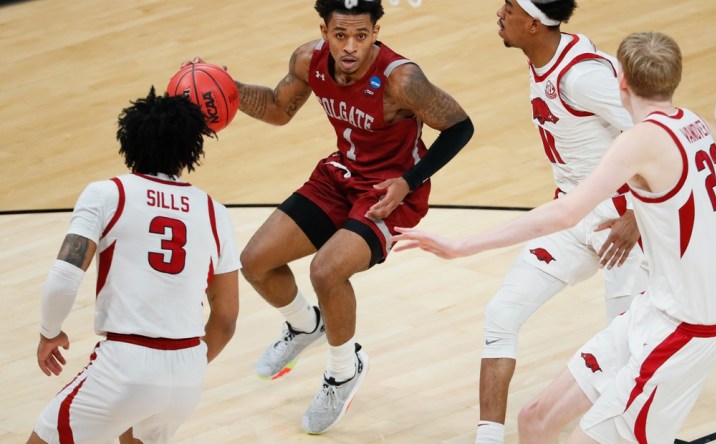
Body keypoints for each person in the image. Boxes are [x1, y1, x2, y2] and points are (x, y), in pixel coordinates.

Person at [394, 30, 716, 443]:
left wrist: (461, 246)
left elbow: (565, 212)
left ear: (620, 81)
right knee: (535, 420)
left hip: (686, 330)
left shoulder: (638, 141)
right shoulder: (692, 123)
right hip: (654, 309)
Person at [215, 0, 473, 435]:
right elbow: (279, 108)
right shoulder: (308, 60)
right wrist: (226, 87)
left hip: (390, 193)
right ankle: (304, 325)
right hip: (340, 176)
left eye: (360, 35)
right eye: (339, 36)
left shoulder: (402, 79)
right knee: (256, 261)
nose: (350, 46)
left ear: (376, 31)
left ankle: (342, 370)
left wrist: (409, 181)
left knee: (327, 271)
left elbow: (460, 127)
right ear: (324, 30)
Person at [28, 87, 240, 444]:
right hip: (187, 373)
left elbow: (65, 276)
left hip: (124, 365)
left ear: (128, 141)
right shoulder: (214, 212)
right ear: (192, 148)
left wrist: (50, 331)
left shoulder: (107, 194)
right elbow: (227, 318)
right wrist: (179, 375)